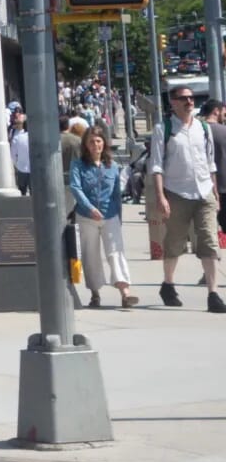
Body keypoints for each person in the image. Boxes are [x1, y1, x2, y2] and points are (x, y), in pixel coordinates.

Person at [154, 86, 222, 313]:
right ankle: (168, 284)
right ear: (172, 102)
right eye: (183, 98)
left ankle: (213, 294)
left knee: (209, 241)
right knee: (174, 243)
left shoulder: (203, 128)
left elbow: (210, 162)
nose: (189, 101)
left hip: (204, 192)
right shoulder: (163, 129)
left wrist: (214, 190)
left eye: (191, 98)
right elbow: (156, 166)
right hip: (176, 193)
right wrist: (161, 196)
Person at [69, 127, 138, 310]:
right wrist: (89, 207)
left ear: (104, 143)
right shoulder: (78, 165)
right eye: (91, 141)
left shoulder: (112, 166)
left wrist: (119, 217)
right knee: (91, 255)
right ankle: (95, 293)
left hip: (110, 215)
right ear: (86, 144)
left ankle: (125, 292)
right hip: (86, 216)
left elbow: (116, 194)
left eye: (98, 141)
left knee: (116, 252)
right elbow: (76, 188)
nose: (95, 145)